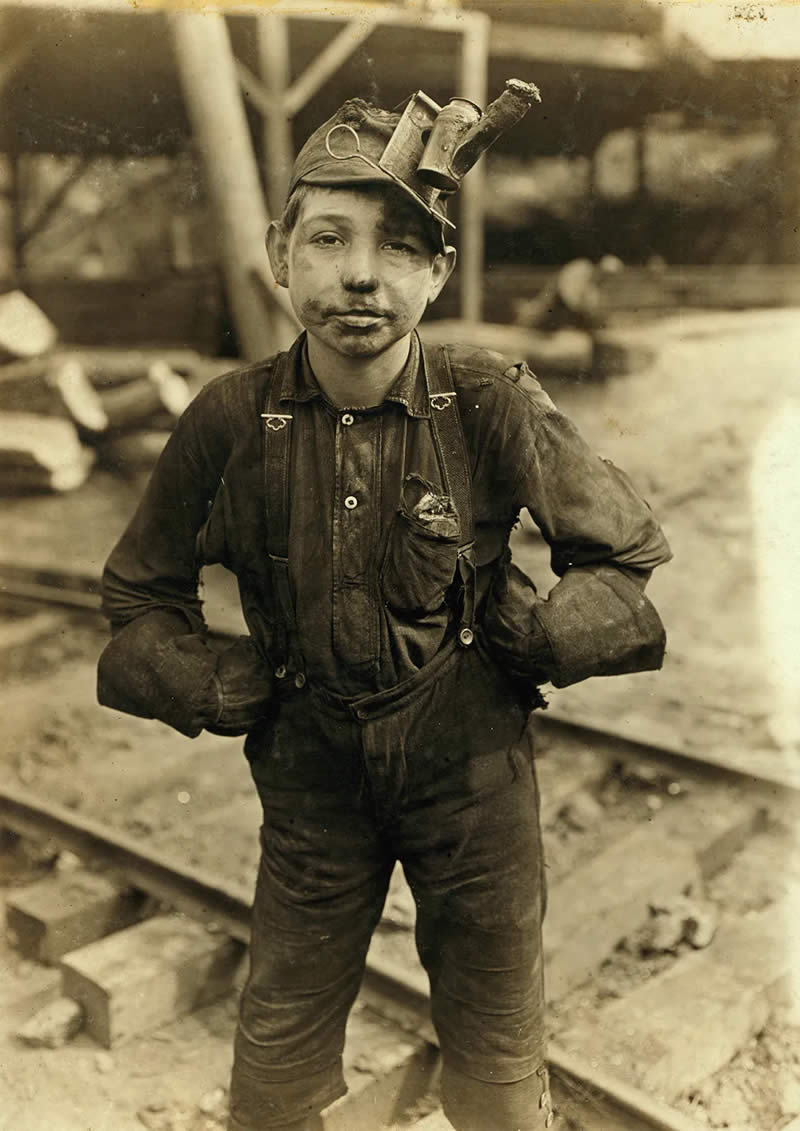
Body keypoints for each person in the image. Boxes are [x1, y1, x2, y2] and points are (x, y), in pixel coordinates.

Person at [97, 87, 671, 1131]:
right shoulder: (229, 420)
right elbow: (136, 600)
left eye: (400, 247)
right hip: (310, 786)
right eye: (328, 238)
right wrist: (207, 680)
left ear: (437, 271)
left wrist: (547, 633)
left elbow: (623, 564)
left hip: (471, 778)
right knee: (276, 1059)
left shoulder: (488, 397)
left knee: (495, 1059)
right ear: (279, 255)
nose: (361, 273)